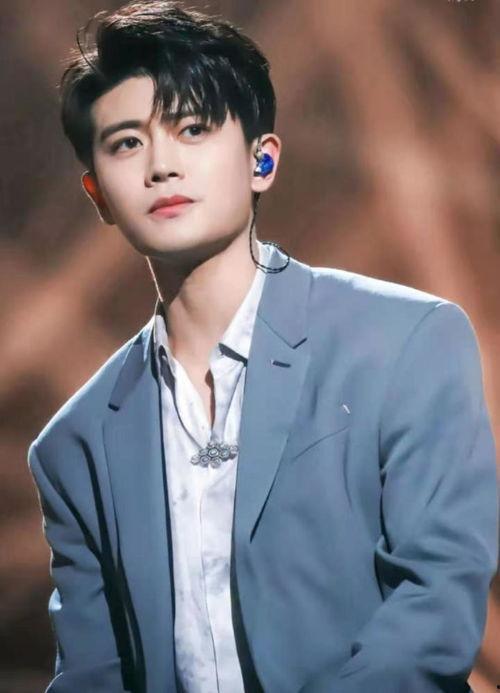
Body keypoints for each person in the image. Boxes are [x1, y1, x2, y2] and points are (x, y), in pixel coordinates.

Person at [27, 1, 498, 692]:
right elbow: (93, 673)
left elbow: (435, 601)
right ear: (98, 195)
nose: (161, 165)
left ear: (262, 159)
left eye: (192, 128)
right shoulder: (76, 443)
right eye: (126, 143)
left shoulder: (405, 341)